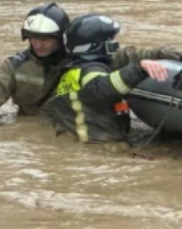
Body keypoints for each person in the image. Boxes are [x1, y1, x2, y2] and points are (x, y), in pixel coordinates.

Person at [0, 3, 182, 125]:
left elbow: (130, 55)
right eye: (32, 38)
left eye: (45, 39)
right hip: (37, 126)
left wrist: (167, 54)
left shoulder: (87, 57)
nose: (37, 44)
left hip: (74, 128)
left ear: (61, 39)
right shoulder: (16, 65)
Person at [42, 14, 170, 144]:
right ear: (100, 45)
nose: (115, 45)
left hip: (77, 140)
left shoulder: (72, 70)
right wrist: (138, 69)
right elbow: (101, 90)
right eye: (112, 41)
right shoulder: (91, 70)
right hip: (98, 145)